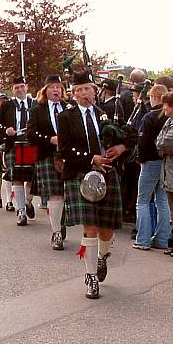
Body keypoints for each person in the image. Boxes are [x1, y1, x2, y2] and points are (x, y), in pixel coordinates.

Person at [57, 71, 132, 299]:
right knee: (90, 227)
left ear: (94, 91)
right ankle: (90, 277)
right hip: (81, 173)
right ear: (73, 93)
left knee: (106, 229)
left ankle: (102, 258)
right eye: (78, 90)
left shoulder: (108, 112)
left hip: (108, 175)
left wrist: (121, 148)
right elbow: (64, 149)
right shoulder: (66, 117)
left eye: (87, 89)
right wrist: (92, 158)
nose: (83, 93)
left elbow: (132, 135)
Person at [27, 75, 68, 250]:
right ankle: (56, 232)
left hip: (70, 156)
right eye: (52, 87)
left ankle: (60, 221)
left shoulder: (69, 108)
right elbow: (31, 134)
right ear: (45, 90)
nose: (56, 90)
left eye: (59, 87)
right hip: (47, 155)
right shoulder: (37, 110)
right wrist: (49, 139)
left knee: (68, 195)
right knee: (55, 195)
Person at [133, 84, 170, 250]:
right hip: (165, 162)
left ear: (154, 97)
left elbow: (143, 141)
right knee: (162, 201)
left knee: (143, 201)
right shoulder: (168, 117)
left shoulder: (150, 117)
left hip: (149, 161)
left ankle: (143, 239)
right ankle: (162, 239)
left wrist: (140, 158)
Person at [0, 76, 36, 225]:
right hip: (14, 144)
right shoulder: (7, 105)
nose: (19, 90)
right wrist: (6, 130)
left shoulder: (35, 104)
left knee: (32, 177)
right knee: (17, 177)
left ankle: (27, 201)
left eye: (22, 86)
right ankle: (21, 211)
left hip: (31, 144)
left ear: (26, 87)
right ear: (13, 90)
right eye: (16, 88)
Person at [155, 91, 173, 256]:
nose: (164, 108)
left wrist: (160, 144)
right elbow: (159, 141)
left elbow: (166, 143)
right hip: (169, 171)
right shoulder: (169, 121)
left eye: (166, 105)